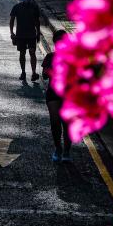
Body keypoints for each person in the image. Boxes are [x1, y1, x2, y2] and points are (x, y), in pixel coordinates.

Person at [42, 29, 72, 162]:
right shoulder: (50, 57)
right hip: (53, 93)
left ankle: (66, 152)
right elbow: (44, 74)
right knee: (55, 122)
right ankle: (58, 148)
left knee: (67, 124)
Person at [10, 0, 41, 82]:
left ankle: (34, 72)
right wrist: (12, 33)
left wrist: (38, 33)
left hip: (31, 35)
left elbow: (37, 21)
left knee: (32, 52)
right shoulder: (16, 7)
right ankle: (23, 72)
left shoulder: (34, 7)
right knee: (22, 53)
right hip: (20, 35)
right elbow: (12, 20)